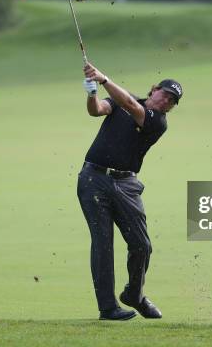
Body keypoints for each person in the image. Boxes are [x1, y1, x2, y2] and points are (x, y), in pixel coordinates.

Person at [77, 62, 183, 321]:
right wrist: (92, 92)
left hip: (126, 185)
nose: (166, 101)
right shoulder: (122, 100)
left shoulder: (157, 121)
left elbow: (132, 107)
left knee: (141, 245)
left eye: (172, 101)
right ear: (154, 89)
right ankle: (108, 308)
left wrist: (103, 79)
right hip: (93, 179)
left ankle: (134, 294)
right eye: (165, 94)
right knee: (102, 244)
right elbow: (97, 110)